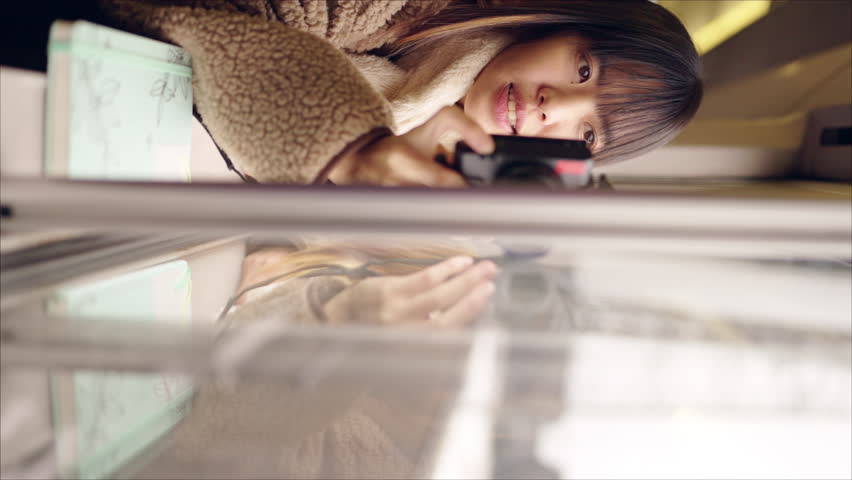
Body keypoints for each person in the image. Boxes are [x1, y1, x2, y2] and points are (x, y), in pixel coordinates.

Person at [98, 0, 702, 186]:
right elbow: (207, 13)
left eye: (588, 133)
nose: (555, 109)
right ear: (564, 23)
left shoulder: (442, 154)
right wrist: (352, 149)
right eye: (584, 69)